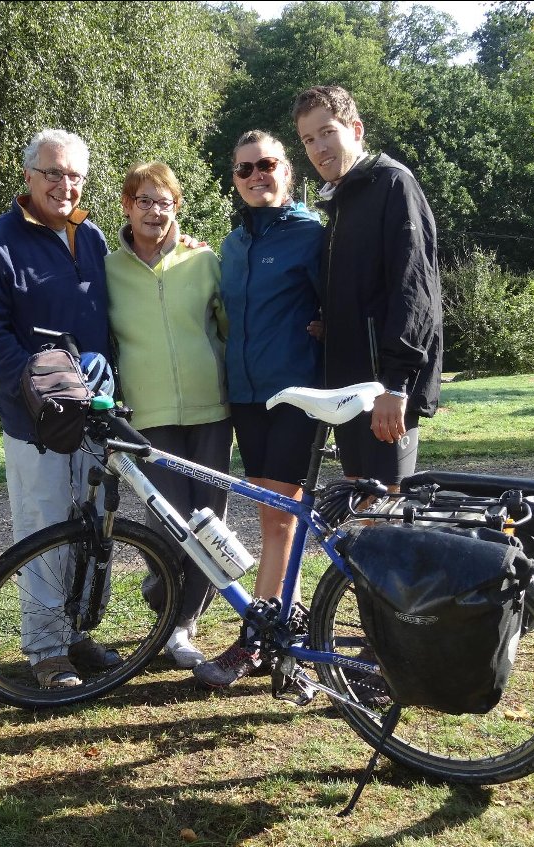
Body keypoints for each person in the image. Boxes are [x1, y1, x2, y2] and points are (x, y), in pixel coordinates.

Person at [0, 128, 121, 690]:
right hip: (36, 424)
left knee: (90, 529)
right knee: (44, 529)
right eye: (53, 172)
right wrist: (34, 377)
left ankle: (75, 633)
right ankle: (47, 651)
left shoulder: (92, 237)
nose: (65, 184)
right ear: (28, 175)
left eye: (75, 174)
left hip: (95, 415)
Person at [192, 130, 324, 688]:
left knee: (279, 516)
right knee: (269, 515)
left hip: (294, 394)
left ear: (287, 172)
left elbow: (339, 303)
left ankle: (260, 636)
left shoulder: (312, 234)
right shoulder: (232, 245)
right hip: (246, 395)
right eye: (244, 170)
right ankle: (274, 625)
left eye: (266, 165)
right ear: (235, 180)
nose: (255, 176)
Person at [105, 161, 232, 670]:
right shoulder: (107, 268)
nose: (155, 211)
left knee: (210, 524)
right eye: (144, 201)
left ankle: (182, 626)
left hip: (211, 411)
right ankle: (165, 596)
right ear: (127, 206)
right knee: (168, 523)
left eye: (165, 202)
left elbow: (226, 326)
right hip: (150, 414)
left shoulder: (204, 261)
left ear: (177, 207)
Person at [292, 85, 443, 487]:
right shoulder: (342, 200)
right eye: (308, 139)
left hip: (386, 384)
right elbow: (361, 287)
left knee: (386, 507)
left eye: (327, 132)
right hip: (349, 382)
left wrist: (396, 386)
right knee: (361, 503)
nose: (319, 148)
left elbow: (415, 290)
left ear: (355, 129)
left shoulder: (393, 184)